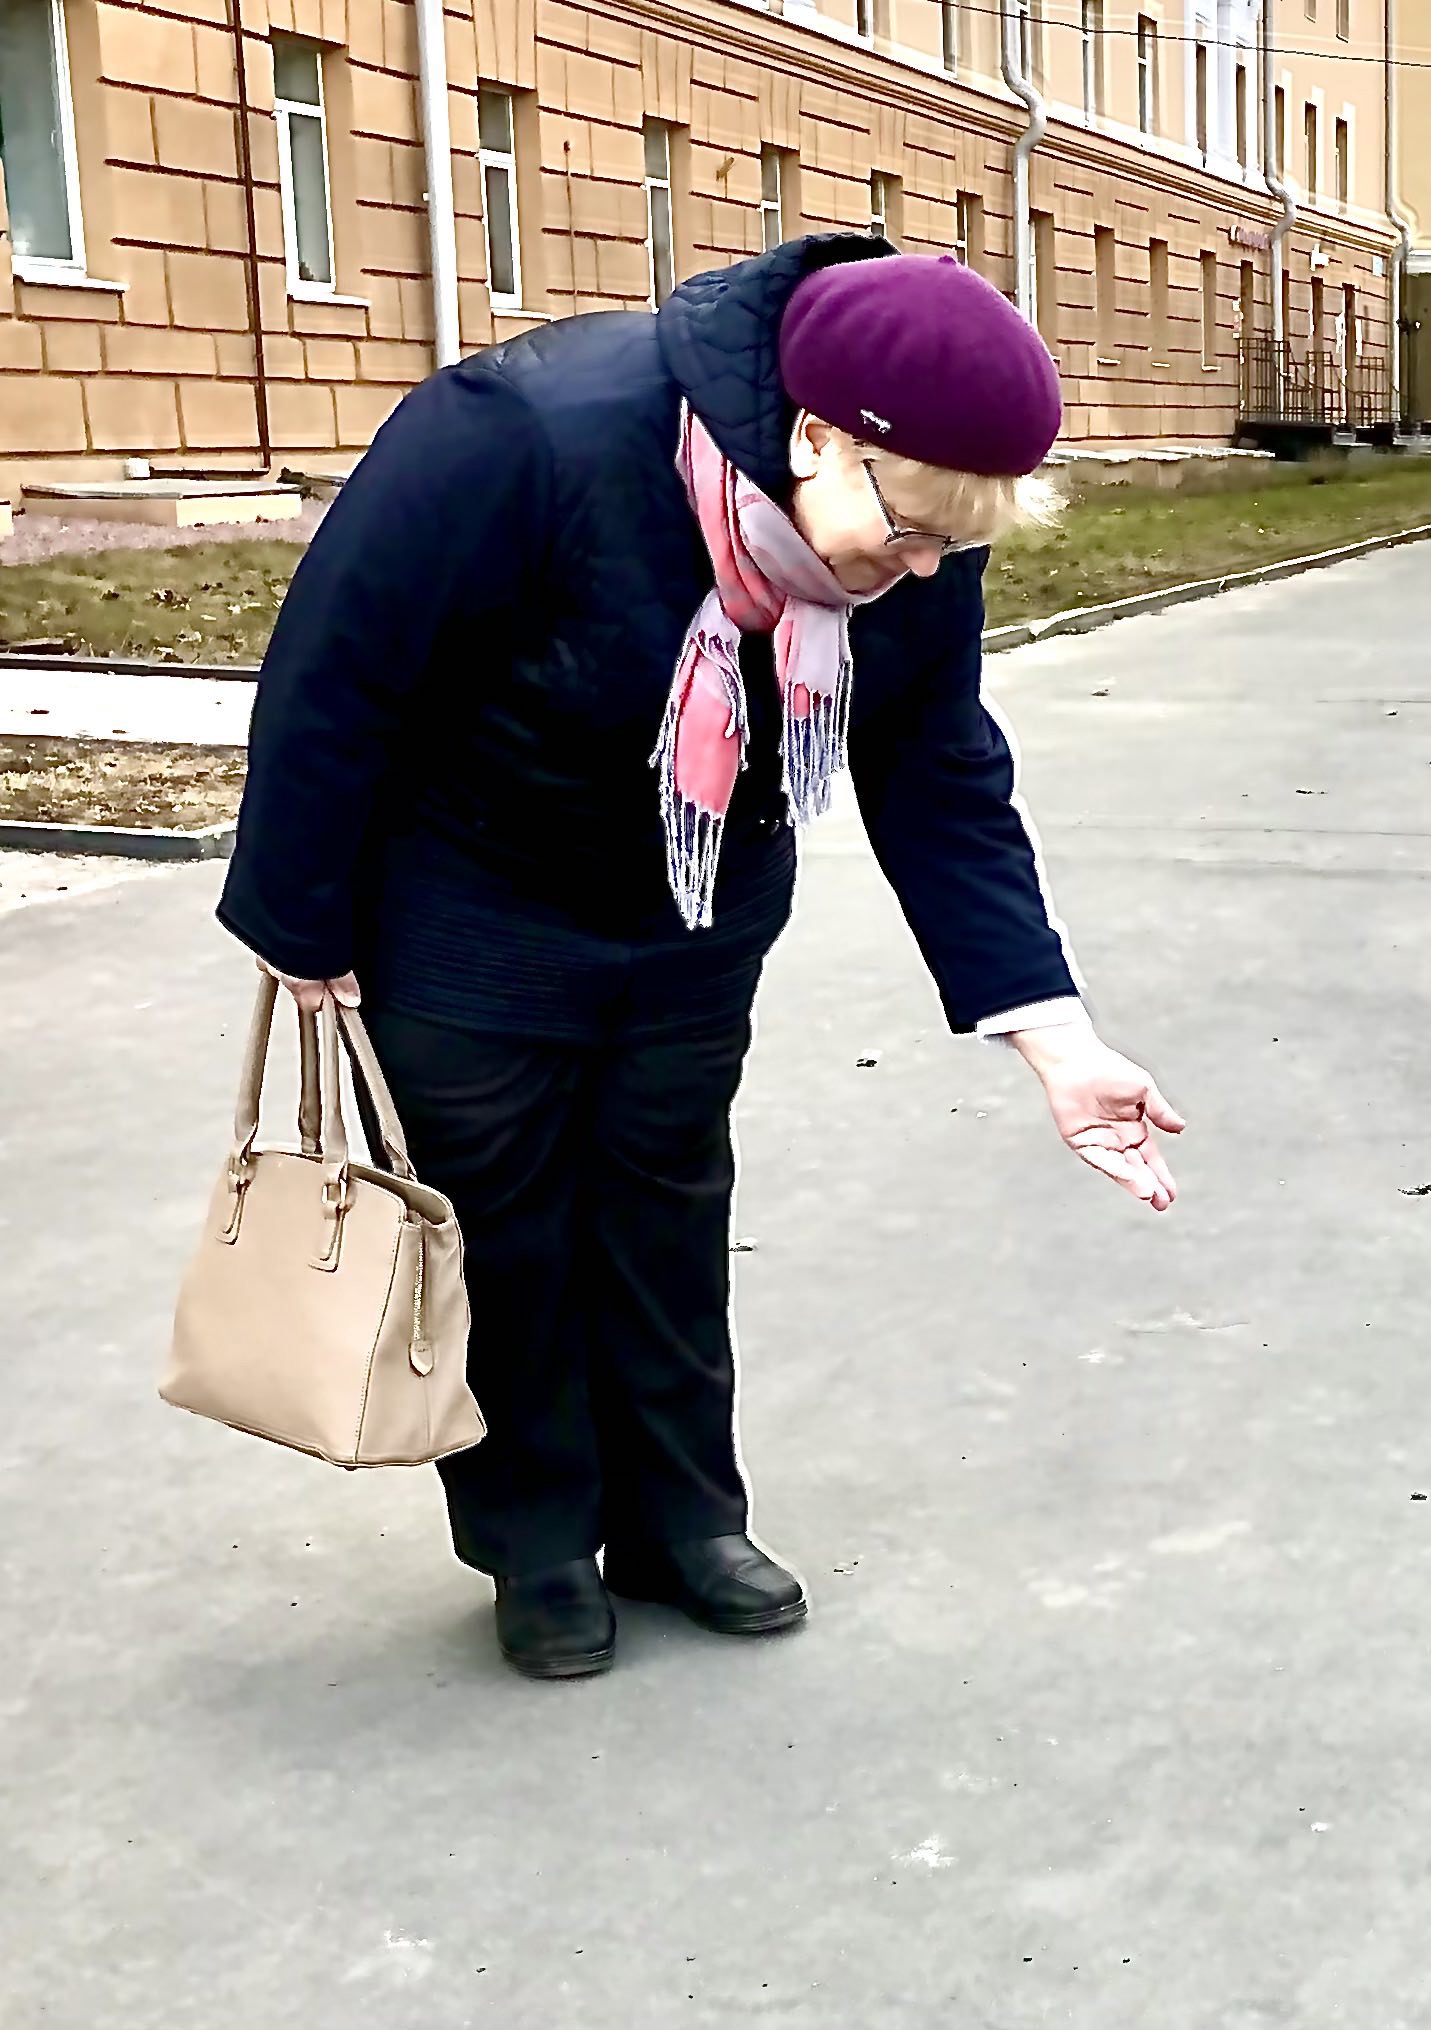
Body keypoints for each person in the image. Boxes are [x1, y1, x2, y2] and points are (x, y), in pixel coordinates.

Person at [218, 236, 1185, 1680]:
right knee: (509, 1232)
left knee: (666, 1214)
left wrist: (1053, 1035)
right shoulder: (524, 435)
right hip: (470, 901)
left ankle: (682, 1521)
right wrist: (300, 927)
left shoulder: (920, 515)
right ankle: (536, 1542)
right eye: (907, 535)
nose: (916, 571)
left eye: (948, 551)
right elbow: (338, 670)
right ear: (818, 434)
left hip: (694, 910)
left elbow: (934, 761)